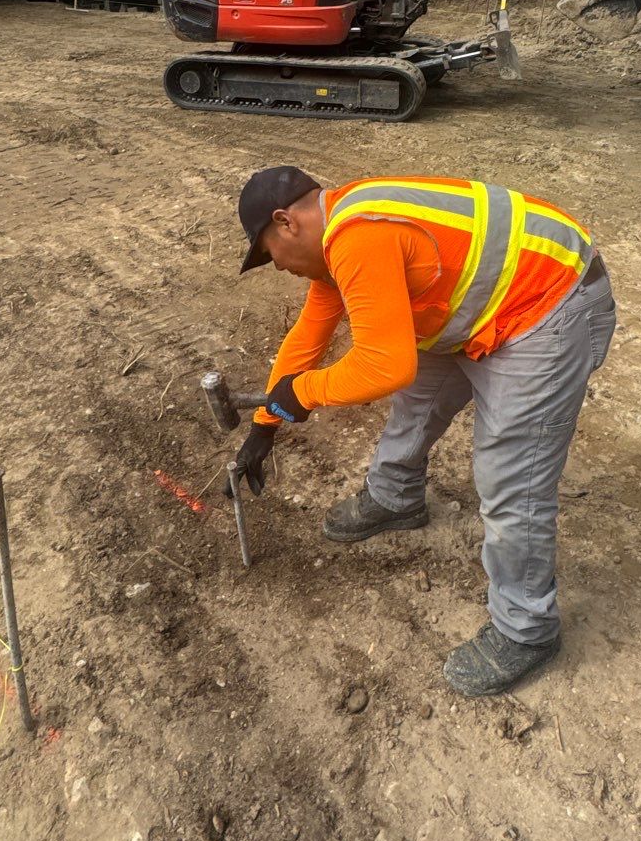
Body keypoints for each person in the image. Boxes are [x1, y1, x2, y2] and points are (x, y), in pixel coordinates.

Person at [232, 166, 617, 697]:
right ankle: (397, 498)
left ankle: (526, 630)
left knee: (511, 475)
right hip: (486, 304)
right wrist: (264, 425)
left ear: (286, 222)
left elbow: (383, 367)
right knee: (417, 405)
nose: (276, 265)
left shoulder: (358, 236)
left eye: (268, 251)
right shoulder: (338, 239)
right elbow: (310, 335)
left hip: (548, 307)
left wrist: (304, 394)